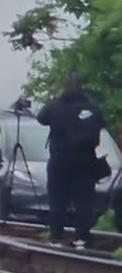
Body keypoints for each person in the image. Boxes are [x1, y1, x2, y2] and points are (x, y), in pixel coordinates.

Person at [37, 73, 107, 249]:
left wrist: (57, 99)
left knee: (58, 199)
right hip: (86, 160)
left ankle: (56, 237)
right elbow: (102, 123)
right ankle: (81, 238)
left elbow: (41, 117)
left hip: (60, 159)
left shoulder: (57, 106)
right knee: (84, 202)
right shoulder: (93, 108)